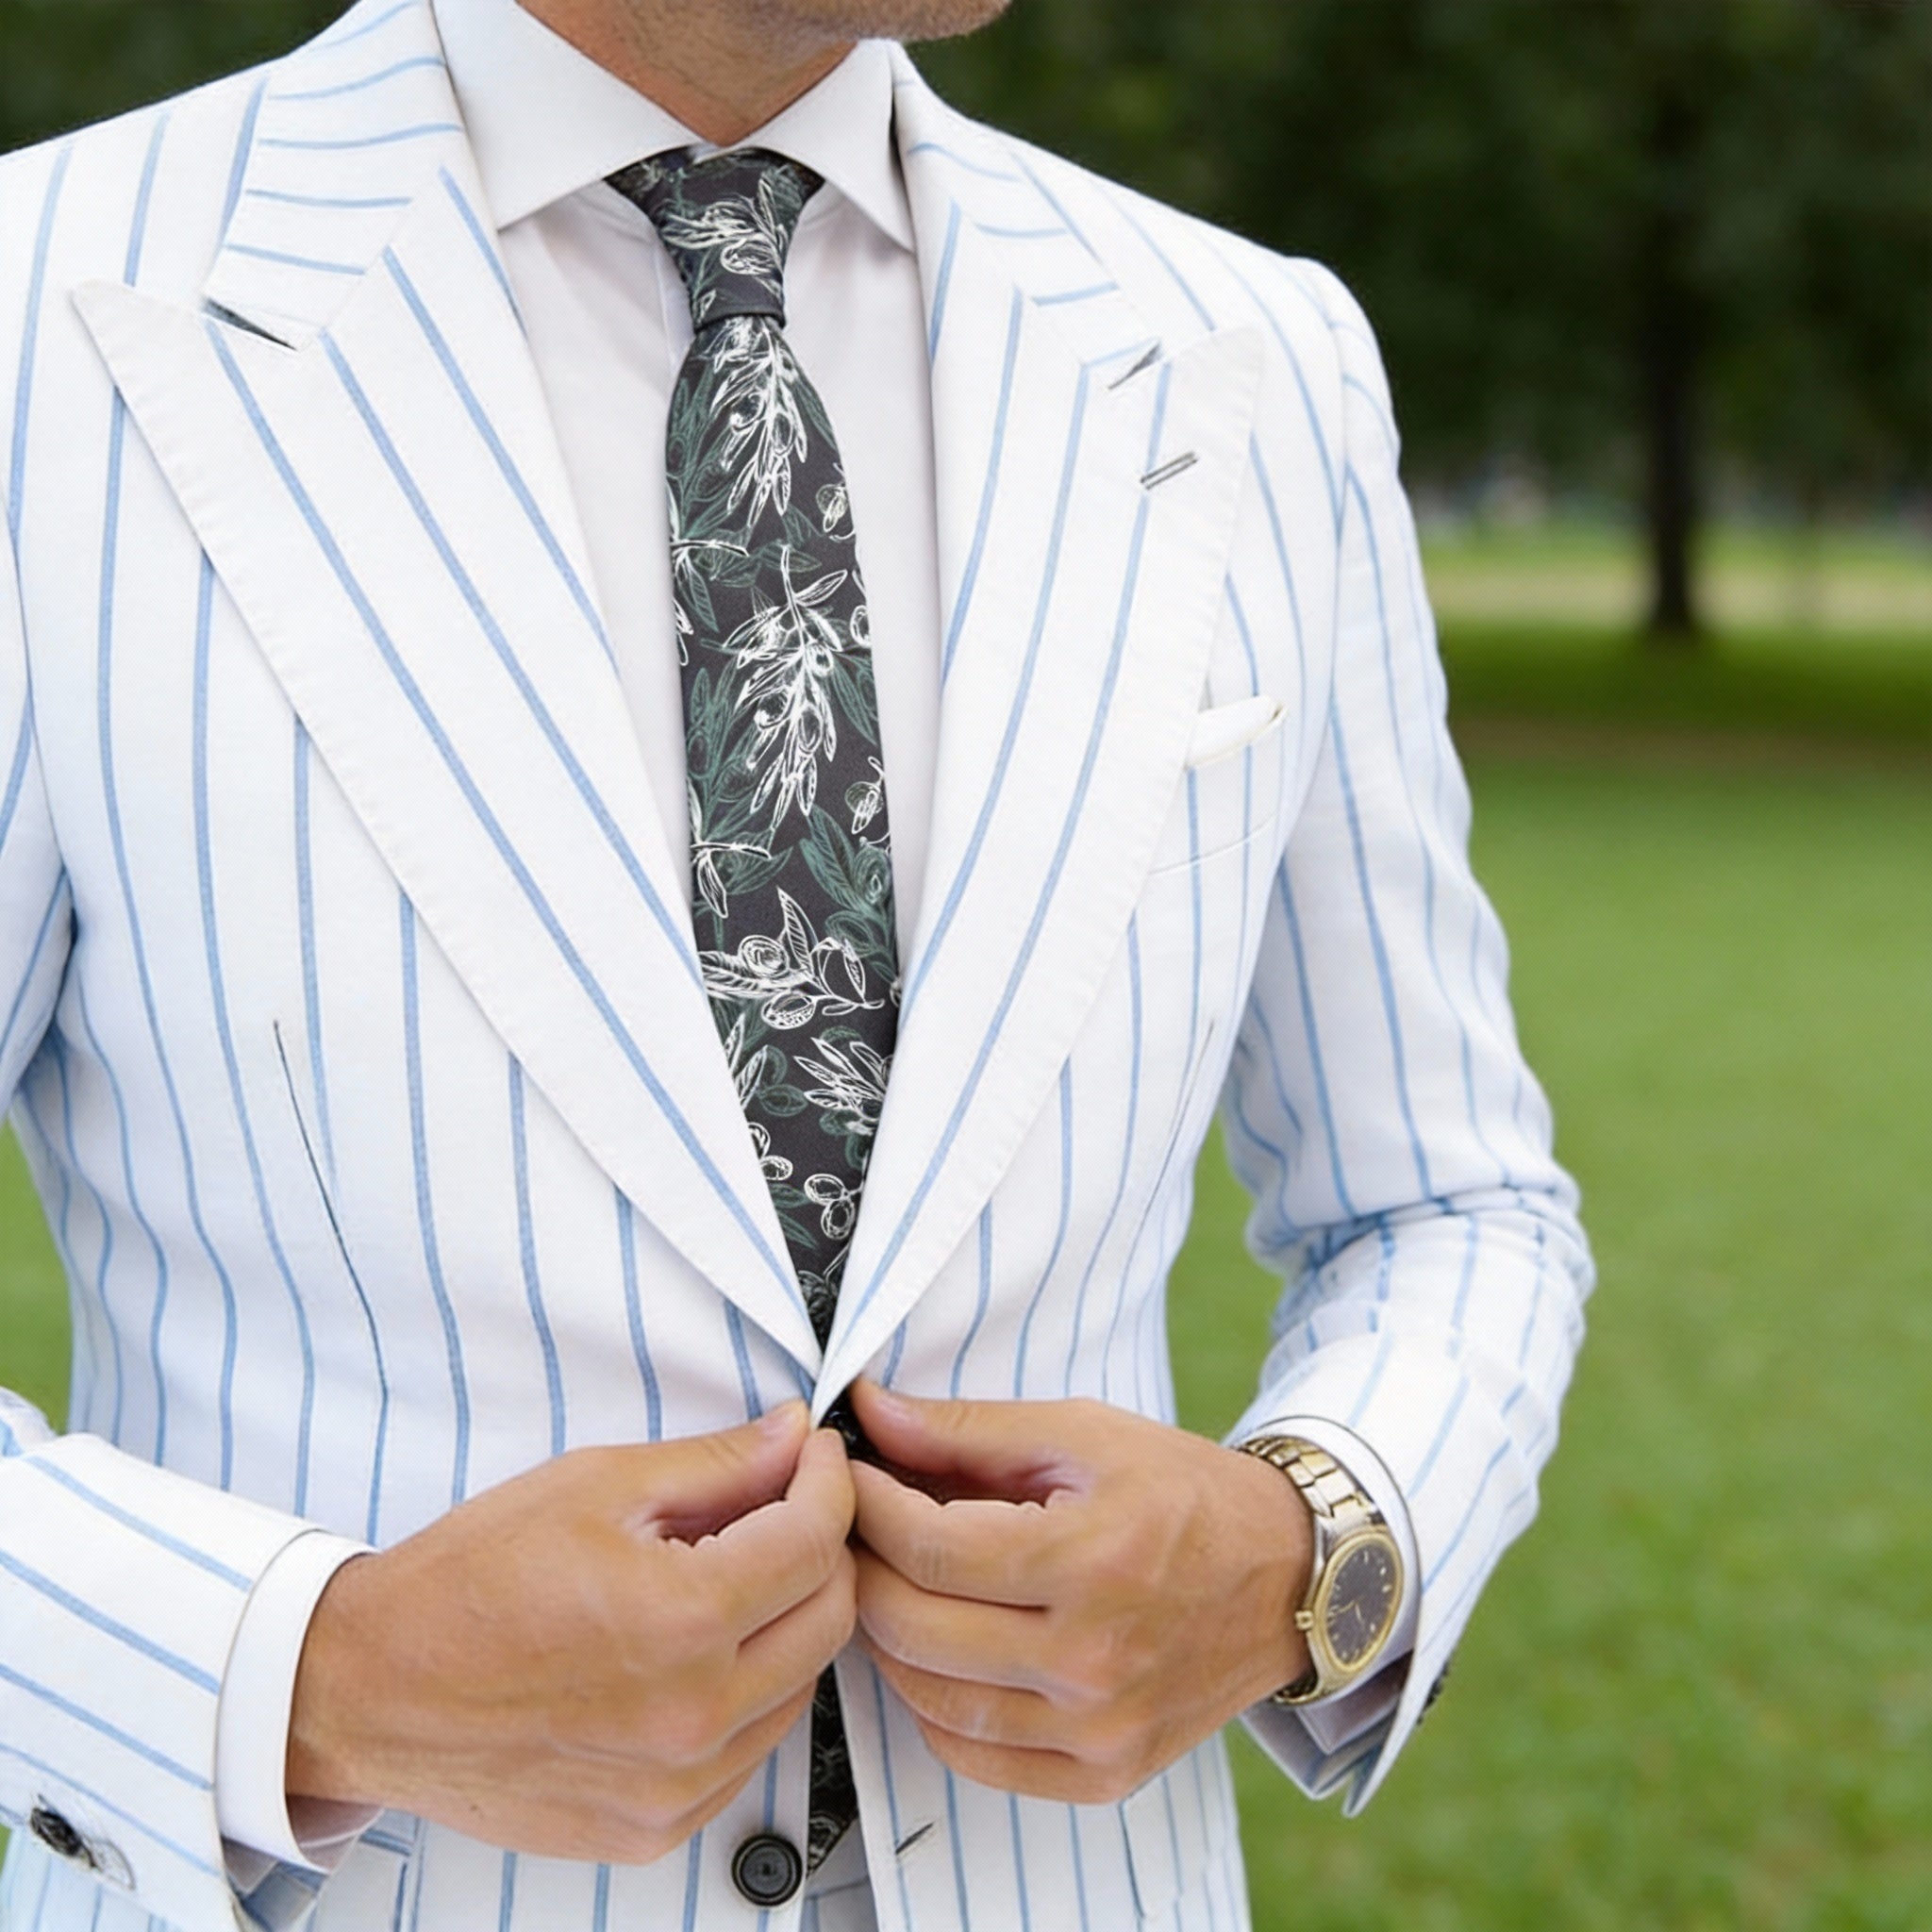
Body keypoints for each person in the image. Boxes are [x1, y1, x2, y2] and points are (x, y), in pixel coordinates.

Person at [0, 0, 1592, 1925]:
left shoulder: (1245, 352)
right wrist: (309, 1678)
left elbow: (1453, 1201)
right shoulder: (41, 320)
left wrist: (1305, 1542)